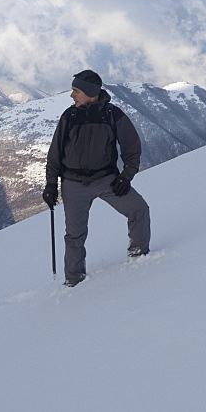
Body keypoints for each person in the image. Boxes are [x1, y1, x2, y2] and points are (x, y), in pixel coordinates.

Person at [43, 70, 150, 287]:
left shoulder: (113, 115)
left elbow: (132, 149)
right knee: (74, 235)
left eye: (76, 91)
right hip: (72, 184)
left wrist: (125, 177)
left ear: (90, 93)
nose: (72, 96)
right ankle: (73, 281)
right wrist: (51, 185)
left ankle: (139, 258)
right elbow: (55, 154)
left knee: (138, 209)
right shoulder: (69, 116)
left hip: (106, 180)